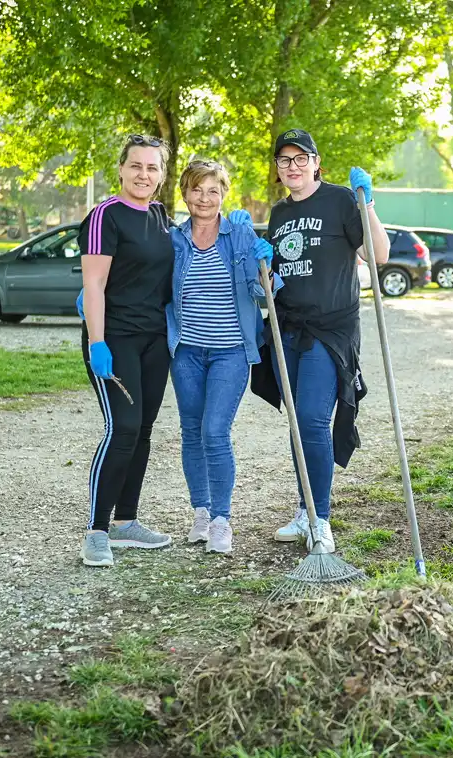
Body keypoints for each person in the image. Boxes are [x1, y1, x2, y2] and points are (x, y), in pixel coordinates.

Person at [249, 128, 389, 553]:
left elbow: (378, 255)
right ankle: (304, 510)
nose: (292, 166)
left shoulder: (341, 200)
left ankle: (320, 519)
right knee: (297, 422)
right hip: (286, 329)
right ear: (277, 168)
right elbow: (276, 277)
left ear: (315, 163)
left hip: (330, 332)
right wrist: (263, 269)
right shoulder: (279, 213)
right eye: (284, 160)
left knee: (311, 418)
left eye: (300, 158)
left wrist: (367, 205)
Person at [77, 134, 177, 567]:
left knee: (143, 431)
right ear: (121, 169)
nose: (143, 174)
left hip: (155, 341)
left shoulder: (160, 216)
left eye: (152, 167)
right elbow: (94, 283)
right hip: (114, 339)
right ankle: (96, 531)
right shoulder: (105, 216)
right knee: (123, 428)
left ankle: (126, 523)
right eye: (136, 165)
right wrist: (97, 342)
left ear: (161, 175)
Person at [166, 159, 275, 554]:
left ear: (224, 195)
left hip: (230, 351)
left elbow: (263, 294)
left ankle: (221, 519)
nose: (204, 198)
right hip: (186, 352)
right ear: (184, 193)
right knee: (191, 431)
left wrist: (265, 266)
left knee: (214, 431)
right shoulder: (174, 239)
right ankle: (201, 512)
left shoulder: (240, 235)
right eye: (196, 189)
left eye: (213, 190)